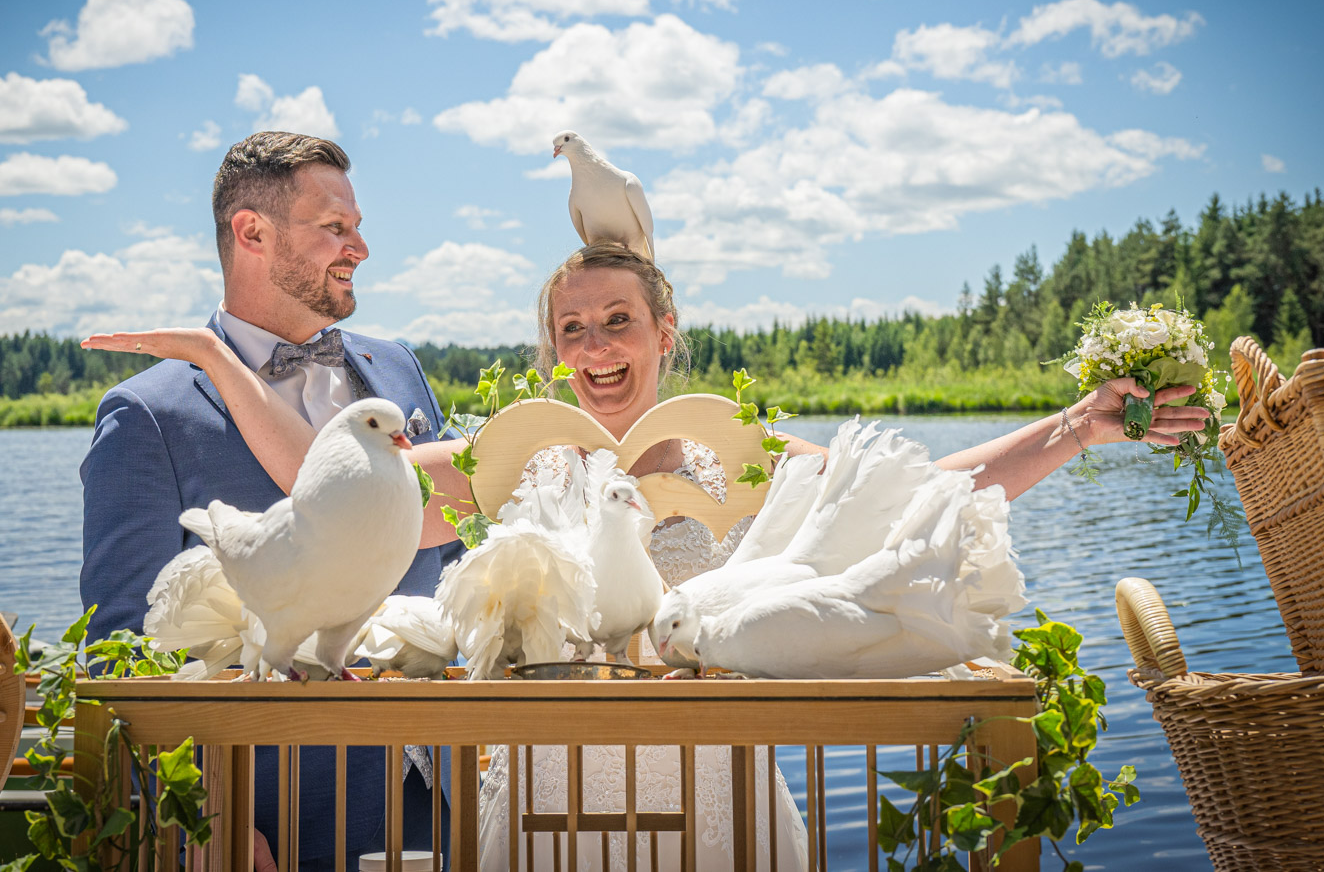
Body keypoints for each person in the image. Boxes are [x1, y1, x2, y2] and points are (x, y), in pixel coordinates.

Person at [89, 238, 1211, 870]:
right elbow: (319, 482)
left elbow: (916, 498)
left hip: (714, 785)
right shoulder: (510, 454)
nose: (594, 346)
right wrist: (206, 352)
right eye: (570, 329)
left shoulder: (737, 449)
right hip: (535, 791)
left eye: (616, 320)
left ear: (664, 331)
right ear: (548, 350)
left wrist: (1078, 426)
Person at [78, 131, 465, 872]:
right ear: (252, 232)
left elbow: (447, 559)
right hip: (280, 818)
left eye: (355, 225)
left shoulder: (398, 368)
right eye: (335, 228)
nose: (361, 246)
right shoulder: (148, 415)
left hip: (444, 800)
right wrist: (200, 817)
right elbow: (121, 646)